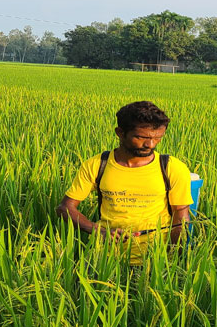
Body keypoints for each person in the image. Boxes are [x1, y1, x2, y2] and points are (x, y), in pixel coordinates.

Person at [56, 101, 193, 262]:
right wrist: (96, 229)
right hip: (105, 260)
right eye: (141, 137)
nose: (150, 144)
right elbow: (65, 208)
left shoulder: (172, 167)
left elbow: (181, 217)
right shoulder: (97, 165)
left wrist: (175, 259)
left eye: (157, 138)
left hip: (155, 260)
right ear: (120, 132)